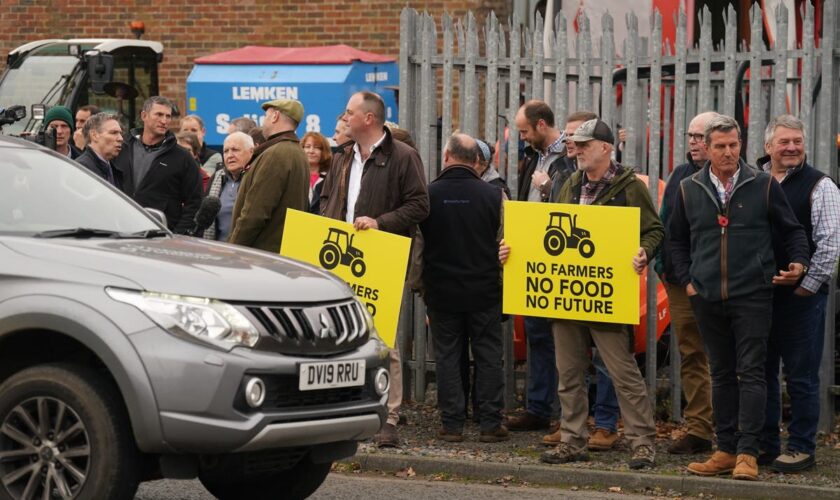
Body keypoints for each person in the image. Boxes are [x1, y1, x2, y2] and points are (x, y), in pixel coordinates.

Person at [506, 118, 663, 470]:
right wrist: (512, 250)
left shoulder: (629, 186)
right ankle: (572, 439)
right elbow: (548, 231)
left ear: (606, 147)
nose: (576, 148)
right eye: (575, 143)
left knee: (622, 371)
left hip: (605, 296)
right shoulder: (570, 182)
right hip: (567, 296)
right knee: (569, 372)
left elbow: (654, 230)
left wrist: (643, 252)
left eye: (585, 144)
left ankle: (642, 442)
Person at [669, 114, 810, 481]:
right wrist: (688, 282)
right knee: (720, 373)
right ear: (707, 148)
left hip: (753, 295)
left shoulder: (762, 185)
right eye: (720, 146)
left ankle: (748, 452)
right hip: (707, 296)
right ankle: (725, 449)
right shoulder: (688, 189)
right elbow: (676, 241)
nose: (728, 152)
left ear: (741, 145)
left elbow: (792, 230)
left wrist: (798, 262)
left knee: (751, 372)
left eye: (734, 145)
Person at [320, 91, 430, 448]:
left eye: (349, 112)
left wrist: (381, 222)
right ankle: (346, 407)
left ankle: (388, 414)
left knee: (383, 339)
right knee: (339, 334)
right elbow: (328, 201)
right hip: (340, 254)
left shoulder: (403, 156)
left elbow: (420, 205)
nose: (343, 117)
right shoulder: (341, 158)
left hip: (382, 256)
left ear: (368, 118)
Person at [758, 115, 840, 473]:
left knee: (802, 376)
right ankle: (765, 445)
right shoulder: (754, 181)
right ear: (767, 147)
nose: (791, 147)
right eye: (784, 142)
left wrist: (807, 287)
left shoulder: (820, 186)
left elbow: (830, 244)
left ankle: (802, 448)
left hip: (802, 299)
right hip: (758, 297)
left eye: (797, 141)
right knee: (761, 372)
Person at [419, 133, 507, 443]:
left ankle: (452, 424)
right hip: (484, 291)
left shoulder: (427, 195)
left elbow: (418, 249)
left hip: (442, 292)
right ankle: (490, 423)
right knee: (487, 354)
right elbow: (505, 245)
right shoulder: (495, 196)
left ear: (446, 157)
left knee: (447, 355)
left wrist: (422, 287)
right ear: (476, 162)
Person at [505, 100, 575, 434]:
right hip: (535, 256)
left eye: (524, 131)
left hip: (562, 258)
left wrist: (550, 188)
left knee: (565, 338)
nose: (522, 138)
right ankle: (538, 407)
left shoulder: (570, 157)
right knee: (536, 334)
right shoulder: (534, 156)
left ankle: (565, 413)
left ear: (542, 125)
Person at [653, 111, 718, 455]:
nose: (693, 142)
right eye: (690, 135)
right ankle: (699, 429)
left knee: (728, 356)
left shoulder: (733, 177)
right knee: (691, 353)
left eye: (700, 136)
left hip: (719, 282)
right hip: (680, 282)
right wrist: (664, 266)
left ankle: (734, 430)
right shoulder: (679, 175)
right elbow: (664, 225)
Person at [228, 99, 309, 252]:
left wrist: (234, 248)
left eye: (266, 116)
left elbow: (254, 213)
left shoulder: (276, 154)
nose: (263, 122)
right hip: (281, 252)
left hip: (262, 255)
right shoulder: (296, 152)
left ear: (275, 116)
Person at [113, 96, 202, 234]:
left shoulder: (182, 157)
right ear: (144, 115)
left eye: (168, 116)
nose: (164, 120)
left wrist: (177, 235)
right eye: (159, 115)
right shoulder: (122, 149)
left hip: (161, 236)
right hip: (121, 231)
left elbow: (195, 202)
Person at [204, 131, 253, 242]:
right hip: (217, 250)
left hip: (247, 252)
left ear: (251, 152)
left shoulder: (257, 179)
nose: (230, 155)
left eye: (235, 150)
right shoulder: (217, 177)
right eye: (226, 151)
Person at [74, 112, 123, 188]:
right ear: (94, 135)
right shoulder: (81, 169)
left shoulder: (113, 167)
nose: (120, 138)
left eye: (120, 133)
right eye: (113, 133)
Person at [301, 131, 332, 214]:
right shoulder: (295, 175)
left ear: (323, 151)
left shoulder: (331, 177)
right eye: (307, 147)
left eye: (316, 147)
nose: (311, 151)